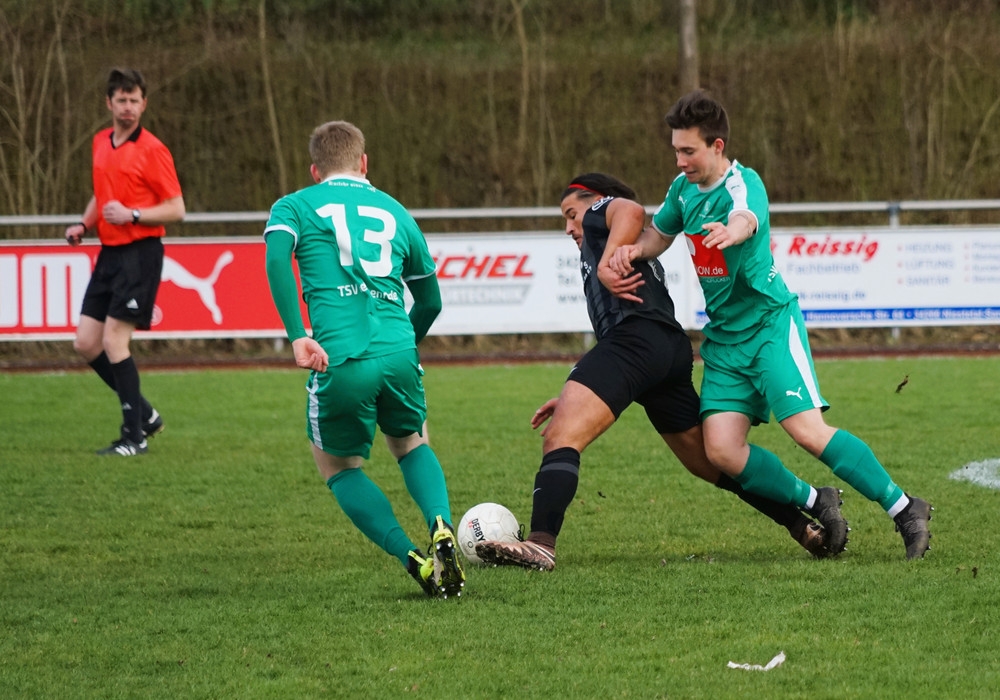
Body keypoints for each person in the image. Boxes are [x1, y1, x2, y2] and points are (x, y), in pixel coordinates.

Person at [607, 90, 932, 559]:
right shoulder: (681, 190)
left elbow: (746, 218)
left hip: (769, 327)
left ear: (717, 146)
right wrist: (635, 249)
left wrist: (731, 230)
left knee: (807, 431)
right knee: (721, 451)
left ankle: (905, 509)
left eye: (688, 151)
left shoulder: (744, 184)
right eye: (676, 150)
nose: (679, 160)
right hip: (725, 341)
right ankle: (815, 499)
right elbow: (661, 232)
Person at [475, 172, 847, 572]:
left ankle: (541, 543)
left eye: (571, 214)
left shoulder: (604, 217)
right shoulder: (618, 244)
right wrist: (577, 389)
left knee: (560, 437)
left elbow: (631, 209)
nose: (569, 227)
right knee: (712, 462)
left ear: (596, 200)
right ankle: (805, 518)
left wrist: (608, 258)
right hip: (663, 349)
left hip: (637, 342)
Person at [263, 120, 465, 598]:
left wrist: (297, 336)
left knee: (339, 468)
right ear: (364, 163)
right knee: (412, 444)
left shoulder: (293, 205)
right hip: (397, 351)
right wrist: (405, 345)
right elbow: (431, 301)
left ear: (315, 170)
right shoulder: (395, 210)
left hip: (339, 356)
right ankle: (441, 525)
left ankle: (414, 559)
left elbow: (275, 258)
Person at [64, 68, 185, 457]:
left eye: (134, 100)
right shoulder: (100, 142)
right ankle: (145, 415)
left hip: (140, 253)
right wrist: (84, 224)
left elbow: (176, 208)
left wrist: (133, 214)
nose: (128, 107)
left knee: (114, 340)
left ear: (144, 104)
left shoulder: (153, 149)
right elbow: (102, 196)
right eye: (122, 100)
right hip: (110, 254)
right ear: (109, 103)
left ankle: (134, 437)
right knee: (86, 343)